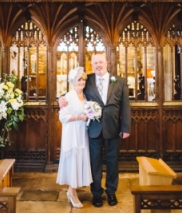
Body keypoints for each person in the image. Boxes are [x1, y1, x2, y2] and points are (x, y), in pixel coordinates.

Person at [59, 54, 131, 208]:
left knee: (113, 162)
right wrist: (60, 98)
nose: (98, 65)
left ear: (107, 62)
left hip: (113, 127)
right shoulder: (88, 79)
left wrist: (126, 127)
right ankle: (96, 193)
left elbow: (125, 106)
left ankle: (111, 192)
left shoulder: (119, 81)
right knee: (95, 163)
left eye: (101, 62)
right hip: (94, 129)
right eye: (95, 63)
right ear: (92, 64)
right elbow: (73, 89)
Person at [56, 66, 93, 209]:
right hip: (72, 133)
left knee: (79, 160)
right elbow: (63, 117)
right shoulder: (68, 97)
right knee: (72, 160)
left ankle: (73, 189)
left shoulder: (85, 96)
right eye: (79, 79)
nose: (81, 82)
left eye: (83, 79)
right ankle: (72, 192)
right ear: (73, 81)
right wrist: (79, 117)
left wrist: (89, 116)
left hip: (82, 132)